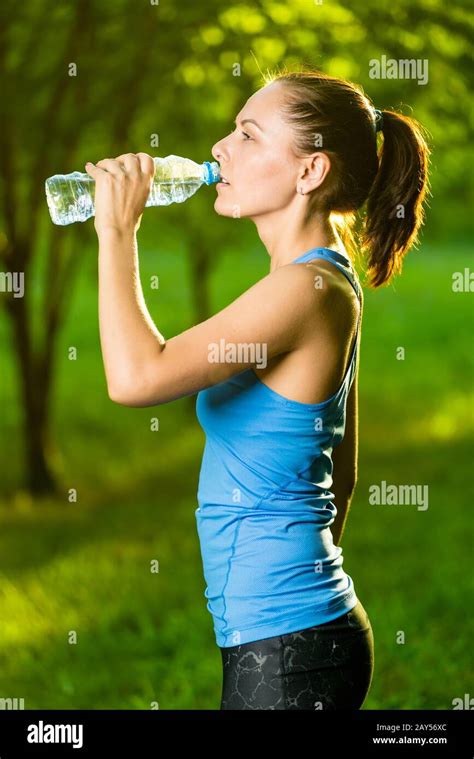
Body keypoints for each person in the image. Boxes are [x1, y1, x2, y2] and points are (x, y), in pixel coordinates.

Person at [85, 67, 430, 710]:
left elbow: (136, 378)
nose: (219, 147)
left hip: (289, 649)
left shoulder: (306, 289)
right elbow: (341, 467)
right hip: (291, 638)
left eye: (247, 134)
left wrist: (116, 230)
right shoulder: (322, 281)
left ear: (310, 172)